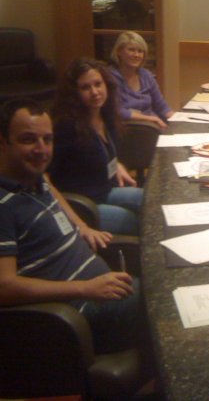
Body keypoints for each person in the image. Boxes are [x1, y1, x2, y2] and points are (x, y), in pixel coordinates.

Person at [0, 97, 144, 354]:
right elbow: (4, 287)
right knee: (166, 301)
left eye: (47, 139)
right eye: (28, 139)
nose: (42, 149)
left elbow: (51, 187)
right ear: (3, 143)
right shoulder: (4, 205)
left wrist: (82, 227)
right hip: (73, 317)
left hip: (101, 289)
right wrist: (85, 288)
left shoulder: (34, 179)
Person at [48, 58, 143, 236]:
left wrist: (117, 164)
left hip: (104, 190)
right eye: (85, 87)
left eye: (98, 84)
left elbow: (100, 152)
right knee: (138, 223)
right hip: (81, 204)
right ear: (74, 93)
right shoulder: (66, 126)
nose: (95, 92)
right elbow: (44, 176)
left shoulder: (106, 115)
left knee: (152, 200)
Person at [110, 31, 173, 129]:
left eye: (140, 51)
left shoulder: (146, 76)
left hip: (153, 127)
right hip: (127, 129)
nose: (136, 55)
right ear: (119, 51)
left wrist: (178, 121)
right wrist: (150, 119)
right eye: (131, 50)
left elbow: (162, 107)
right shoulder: (110, 77)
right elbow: (116, 110)